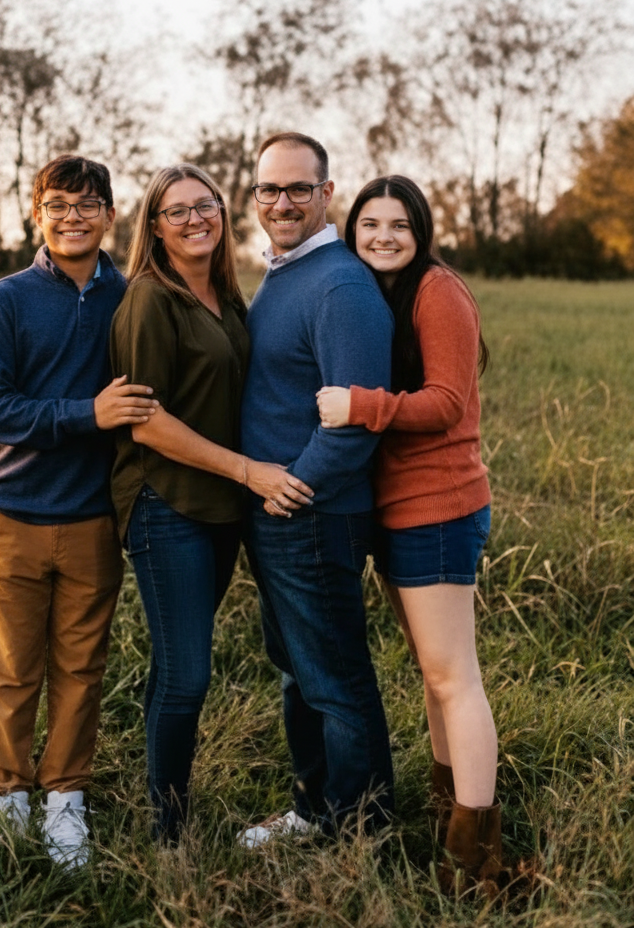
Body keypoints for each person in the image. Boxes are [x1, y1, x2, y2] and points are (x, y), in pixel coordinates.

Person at [109, 163, 314, 843]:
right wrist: (251, 471)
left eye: (207, 206)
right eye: (177, 211)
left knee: (182, 664)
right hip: (167, 505)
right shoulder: (149, 299)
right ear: (155, 227)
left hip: (223, 506)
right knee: (187, 673)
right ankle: (169, 832)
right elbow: (147, 420)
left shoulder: (226, 298)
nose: (196, 219)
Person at [316, 174, 504, 894]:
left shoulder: (437, 291)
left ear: (421, 231)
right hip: (397, 508)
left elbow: (447, 403)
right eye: (370, 225)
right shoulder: (377, 295)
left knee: (455, 677)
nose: (383, 237)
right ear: (352, 230)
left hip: (440, 506)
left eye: (399, 225)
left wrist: (359, 405)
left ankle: (473, 855)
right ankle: (448, 812)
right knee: (435, 677)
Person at [0, 154, 157, 869]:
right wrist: (89, 413)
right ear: (37, 214)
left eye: (88, 205)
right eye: (58, 205)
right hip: (11, 509)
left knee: (81, 665)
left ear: (112, 215)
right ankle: (6, 795)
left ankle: (65, 799)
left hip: (92, 516)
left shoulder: (133, 296)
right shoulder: (7, 299)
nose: (72, 217)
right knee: (12, 665)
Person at [237, 131, 395, 846]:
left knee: (334, 678)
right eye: (270, 188)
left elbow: (357, 418)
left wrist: (292, 486)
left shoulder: (339, 284)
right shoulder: (282, 273)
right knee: (300, 671)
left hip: (313, 515)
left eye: (299, 188)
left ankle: (362, 830)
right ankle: (316, 808)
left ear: (327, 194)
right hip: (277, 515)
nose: (283, 202)